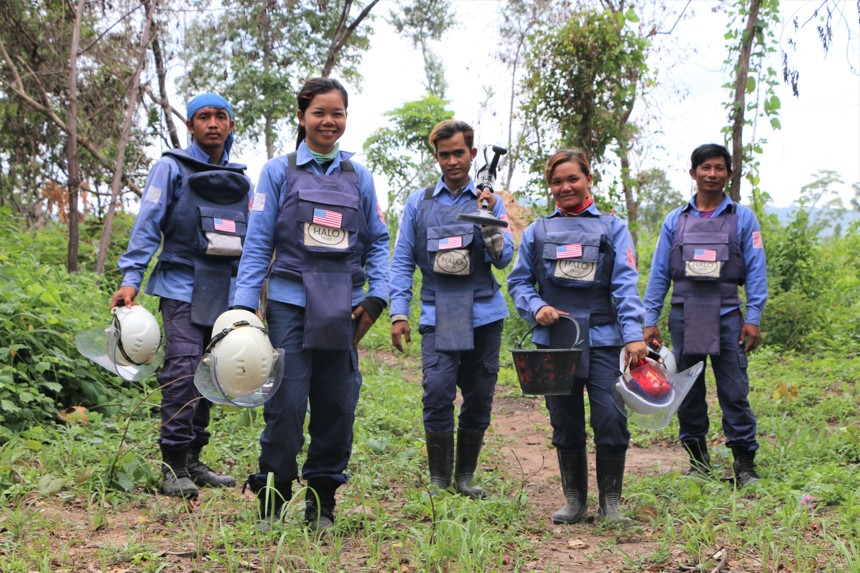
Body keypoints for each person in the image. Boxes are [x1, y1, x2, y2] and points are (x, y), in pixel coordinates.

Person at [234, 78, 390, 532]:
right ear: (302, 117)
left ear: (345, 119)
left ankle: (322, 501)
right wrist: (244, 309)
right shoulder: (277, 172)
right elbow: (258, 243)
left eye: (337, 113)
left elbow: (377, 242)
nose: (328, 121)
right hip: (289, 306)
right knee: (285, 405)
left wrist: (377, 296)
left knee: (337, 405)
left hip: (344, 309)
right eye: (319, 112)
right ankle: (272, 497)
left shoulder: (359, 177)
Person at [111, 93, 251, 499]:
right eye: (203, 117)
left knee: (215, 371)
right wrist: (131, 278)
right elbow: (148, 223)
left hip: (226, 293)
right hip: (180, 287)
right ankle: (172, 462)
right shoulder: (170, 168)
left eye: (220, 116)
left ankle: (193, 458)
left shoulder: (244, 181)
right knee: (183, 370)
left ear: (230, 125)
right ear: (190, 126)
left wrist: (250, 297)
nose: (212, 123)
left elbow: (255, 241)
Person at [507, 149, 647, 525]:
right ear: (550, 186)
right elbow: (518, 281)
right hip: (556, 344)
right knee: (565, 423)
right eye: (557, 181)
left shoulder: (612, 227)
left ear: (588, 178)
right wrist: (536, 307)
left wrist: (633, 334)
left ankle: (611, 504)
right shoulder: (538, 231)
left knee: (611, 419)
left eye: (573, 179)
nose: (565, 187)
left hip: (605, 341)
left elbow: (625, 285)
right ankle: (574, 501)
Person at [389, 119, 514, 499]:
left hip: (483, 314)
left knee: (479, 397)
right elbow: (401, 261)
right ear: (437, 157)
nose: (452, 161)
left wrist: (490, 222)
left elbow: (504, 259)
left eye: (459, 153)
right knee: (438, 391)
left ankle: (465, 478)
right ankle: (439, 480)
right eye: (444, 155)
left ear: (472, 154)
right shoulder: (419, 202)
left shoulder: (489, 200)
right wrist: (398, 313)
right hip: (438, 311)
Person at [643, 143, 767, 488]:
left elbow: (756, 271)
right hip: (684, 316)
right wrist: (649, 320)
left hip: (728, 316)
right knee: (687, 391)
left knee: (734, 391)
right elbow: (658, 275)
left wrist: (753, 317)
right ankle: (698, 463)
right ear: (693, 172)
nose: (712, 174)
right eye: (705, 168)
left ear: (728, 173)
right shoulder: (675, 220)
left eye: (719, 168)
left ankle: (745, 465)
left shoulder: (743, 218)